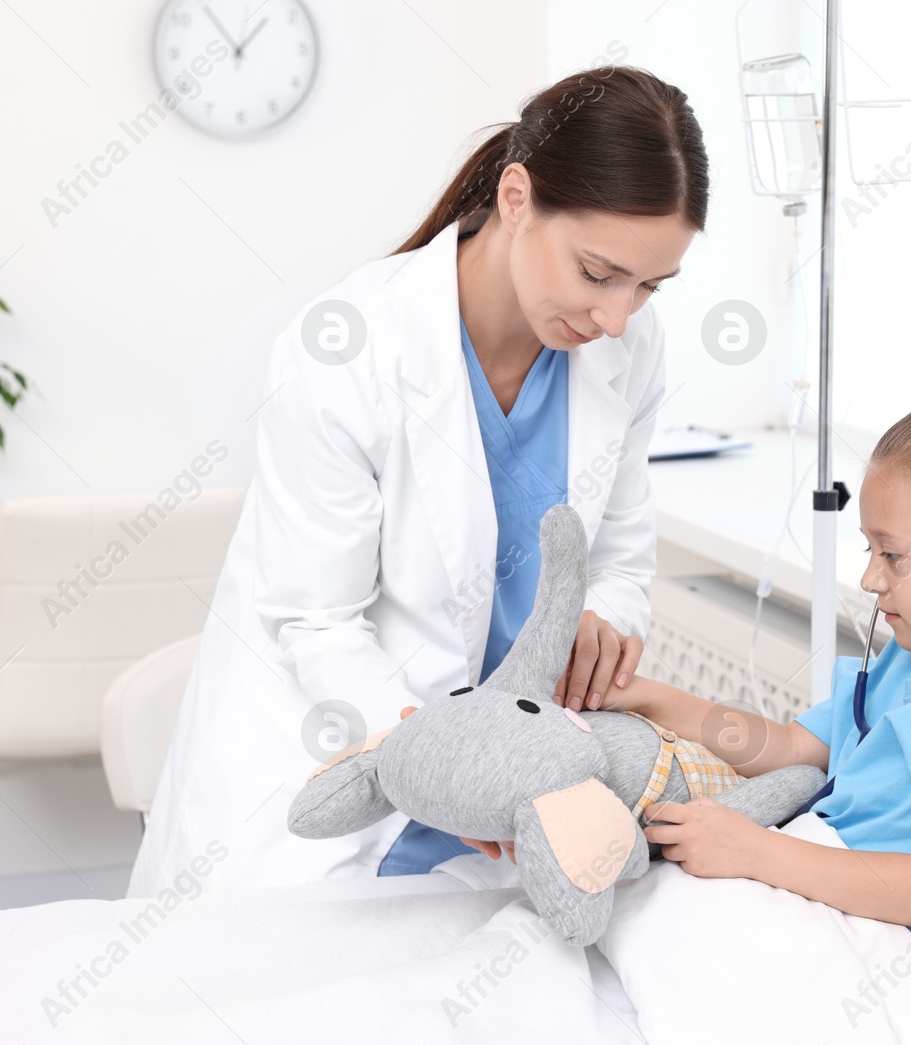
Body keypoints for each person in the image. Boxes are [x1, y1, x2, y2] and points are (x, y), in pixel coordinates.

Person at [127, 65, 707, 895]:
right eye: (598, 272)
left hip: (512, 792)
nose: (617, 317)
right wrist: (454, 768)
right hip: (337, 768)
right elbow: (317, 620)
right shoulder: (350, 347)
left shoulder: (628, 349)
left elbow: (619, 553)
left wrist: (604, 617)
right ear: (516, 197)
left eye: (650, 286)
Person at [591, 390, 911, 965]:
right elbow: (789, 748)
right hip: (805, 878)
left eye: (892, 554)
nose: (869, 578)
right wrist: (648, 699)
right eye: (868, 548)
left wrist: (754, 852)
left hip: (866, 940)